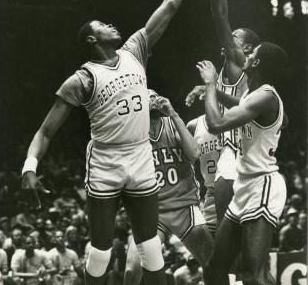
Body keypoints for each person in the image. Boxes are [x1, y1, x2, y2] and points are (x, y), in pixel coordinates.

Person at [21, 0, 215, 285]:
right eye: (103, 24)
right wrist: (30, 166)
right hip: (107, 161)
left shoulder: (135, 51)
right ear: (93, 39)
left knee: (151, 250)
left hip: (141, 156)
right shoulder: (82, 79)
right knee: (100, 251)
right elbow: (46, 130)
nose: (113, 24)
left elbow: (169, 6)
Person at [196, 42, 288, 285]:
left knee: (252, 276)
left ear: (256, 63)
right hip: (243, 187)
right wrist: (215, 92)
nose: (247, 55)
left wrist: (210, 84)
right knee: (214, 267)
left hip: (263, 184)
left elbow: (215, 124)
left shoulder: (266, 96)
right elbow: (248, 107)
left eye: (252, 53)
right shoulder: (254, 95)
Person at [186, 0, 260, 224]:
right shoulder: (229, 73)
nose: (227, 41)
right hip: (232, 153)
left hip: (238, 155)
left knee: (226, 247)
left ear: (245, 49)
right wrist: (207, 89)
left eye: (235, 38)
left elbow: (220, 14)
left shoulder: (239, 63)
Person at [123, 91, 213, 285]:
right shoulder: (133, 136)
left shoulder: (173, 125)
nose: (153, 102)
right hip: (152, 212)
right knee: (132, 270)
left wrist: (173, 114)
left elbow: (195, 153)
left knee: (212, 264)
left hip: (184, 206)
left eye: (155, 98)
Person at [187, 114, 222, 234]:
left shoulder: (239, 117)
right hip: (211, 191)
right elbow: (188, 162)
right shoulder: (194, 126)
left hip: (237, 187)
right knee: (210, 246)